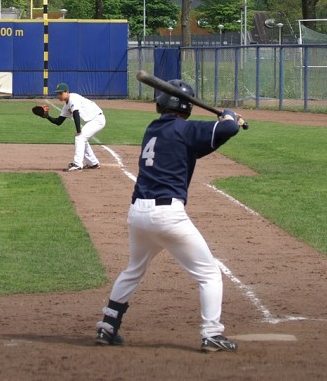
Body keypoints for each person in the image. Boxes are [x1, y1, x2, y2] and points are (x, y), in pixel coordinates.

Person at [94, 79, 243, 353]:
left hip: (138, 214)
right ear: (187, 107)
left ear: (161, 103)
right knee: (209, 274)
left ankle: (107, 325)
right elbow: (229, 128)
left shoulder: (153, 129)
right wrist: (229, 116)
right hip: (168, 216)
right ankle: (212, 333)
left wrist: (225, 123)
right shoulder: (187, 130)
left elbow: (206, 142)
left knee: (133, 270)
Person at [40, 82, 106, 171]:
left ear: (67, 92)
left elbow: (76, 113)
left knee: (80, 137)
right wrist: (47, 116)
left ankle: (77, 165)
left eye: (61, 93)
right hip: (94, 120)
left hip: (98, 119)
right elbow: (58, 122)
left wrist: (78, 131)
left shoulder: (73, 98)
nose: (59, 96)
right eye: (58, 94)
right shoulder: (66, 106)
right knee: (82, 139)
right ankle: (93, 163)